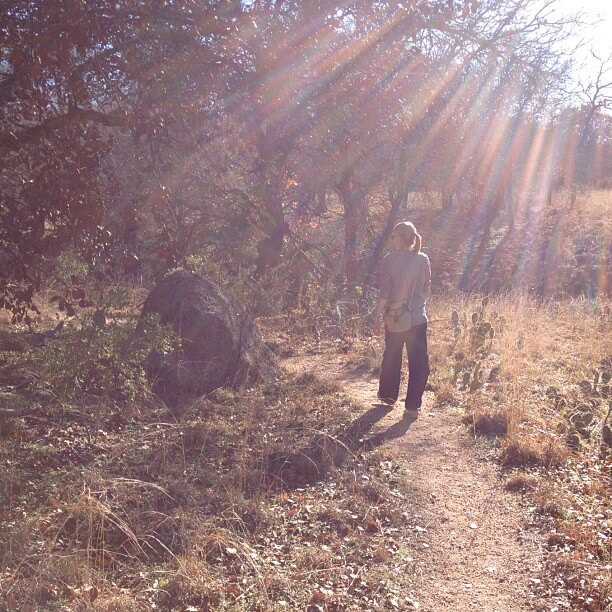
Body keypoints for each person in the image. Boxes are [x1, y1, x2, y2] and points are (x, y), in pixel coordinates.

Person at [372, 221, 431, 415]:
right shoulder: (423, 259)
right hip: (417, 318)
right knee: (419, 363)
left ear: (399, 238)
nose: (392, 240)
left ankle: (388, 398)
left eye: (393, 236)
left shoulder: (390, 259)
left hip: (395, 317)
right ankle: (413, 407)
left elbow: (385, 291)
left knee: (391, 357)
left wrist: (376, 317)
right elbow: (425, 288)